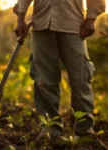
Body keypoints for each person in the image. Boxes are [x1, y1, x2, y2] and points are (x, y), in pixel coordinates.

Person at [14, 0, 107, 149]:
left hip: (73, 24)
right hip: (42, 23)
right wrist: (20, 18)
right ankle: (50, 130)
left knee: (81, 77)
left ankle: (84, 133)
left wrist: (91, 18)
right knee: (43, 79)